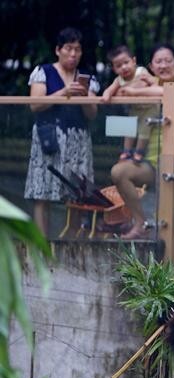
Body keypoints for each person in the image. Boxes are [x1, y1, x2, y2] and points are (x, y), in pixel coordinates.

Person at [111, 43, 174, 240]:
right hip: (149, 159)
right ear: (150, 66)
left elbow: (167, 92)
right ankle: (140, 222)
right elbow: (125, 100)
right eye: (158, 61)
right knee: (118, 172)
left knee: (169, 222)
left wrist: (136, 91)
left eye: (168, 61)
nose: (163, 65)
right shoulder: (145, 83)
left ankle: (172, 266)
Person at [25, 27, 99, 236]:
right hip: (48, 138)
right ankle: (42, 246)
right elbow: (35, 105)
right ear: (58, 50)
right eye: (69, 48)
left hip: (78, 140)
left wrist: (84, 96)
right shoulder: (43, 72)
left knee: (77, 194)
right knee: (42, 192)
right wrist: (63, 93)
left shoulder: (87, 77)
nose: (73, 54)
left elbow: (92, 114)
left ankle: (71, 243)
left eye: (77, 49)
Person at [101, 45, 157, 164]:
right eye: (119, 66)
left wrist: (148, 82)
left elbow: (155, 83)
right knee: (129, 128)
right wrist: (106, 96)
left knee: (144, 129)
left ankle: (139, 152)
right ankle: (127, 151)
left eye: (126, 62)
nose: (124, 67)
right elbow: (109, 90)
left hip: (150, 108)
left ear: (134, 61)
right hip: (135, 108)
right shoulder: (119, 80)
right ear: (114, 69)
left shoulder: (141, 72)